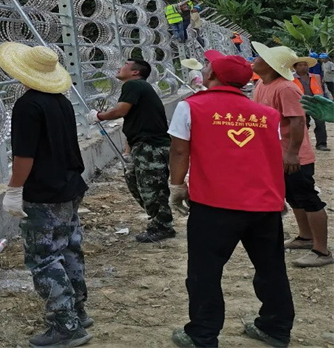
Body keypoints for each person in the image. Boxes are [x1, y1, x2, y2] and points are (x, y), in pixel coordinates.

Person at [168, 51, 294, 348]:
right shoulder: (266, 114)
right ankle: (276, 328)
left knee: (205, 272)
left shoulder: (191, 107)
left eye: (208, 67)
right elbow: (269, 155)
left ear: (212, 75)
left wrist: (177, 186)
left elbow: (179, 151)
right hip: (263, 205)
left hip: (214, 205)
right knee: (271, 268)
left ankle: (202, 334)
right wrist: (278, 194)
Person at [0, 42, 92, 347]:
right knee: (69, 248)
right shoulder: (61, 101)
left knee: (44, 258)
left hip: (44, 192)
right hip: (70, 185)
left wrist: (14, 189)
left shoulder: (27, 106)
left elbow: (25, 156)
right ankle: (78, 310)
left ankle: (65, 325)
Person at [251, 42, 332, 267]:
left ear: (271, 65)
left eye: (260, 58)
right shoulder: (262, 84)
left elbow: (297, 121)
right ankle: (305, 237)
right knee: (293, 197)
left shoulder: (285, 88)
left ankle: (322, 251)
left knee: (308, 198)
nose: (255, 60)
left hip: (294, 156)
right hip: (277, 154)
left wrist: (292, 153)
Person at [88, 59, 175, 242]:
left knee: (152, 187)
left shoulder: (134, 85)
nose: (120, 66)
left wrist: (99, 116)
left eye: (126, 64)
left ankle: (162, 226)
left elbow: (120, 111)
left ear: (135, 72)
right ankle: (158, 220)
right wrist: (128, 153)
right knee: (135, 181)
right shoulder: (138, 88)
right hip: (143, 145)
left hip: (151, 146)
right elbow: (134, 124)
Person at [292, 58, 329, 151]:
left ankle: (321, 144)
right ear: (295, 67)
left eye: (305, 65)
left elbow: (322, 88)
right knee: (303, 125)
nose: (303, 67)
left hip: (316, 104)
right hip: (301, 104)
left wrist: (325, 100)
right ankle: (301, 145)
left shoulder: (316, 77)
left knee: (320, 123)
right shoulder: (291, 78)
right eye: (300, 65)